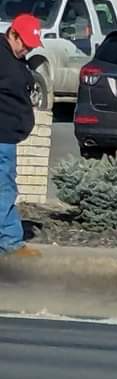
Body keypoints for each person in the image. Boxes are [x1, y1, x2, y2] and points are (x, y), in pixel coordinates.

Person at [0, 14, 42, 258]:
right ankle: (10, 243)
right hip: (2, 136)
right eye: (24, 43)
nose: (26, 49)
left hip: (8, 136)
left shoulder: (16, 59)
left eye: (31, 46)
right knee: (4, 189)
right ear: (12, 33)